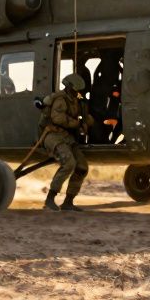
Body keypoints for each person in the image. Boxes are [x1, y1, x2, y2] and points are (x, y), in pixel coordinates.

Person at [39, 73, 93, 211]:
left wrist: (87, 121)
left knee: (82, 167)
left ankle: (68, 202)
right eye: (76, 90)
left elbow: (85, 116)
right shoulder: (60, 99)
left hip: (67, 137)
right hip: (53, 135)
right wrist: (77, 123)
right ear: (69, 87)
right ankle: (49, 199)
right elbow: (58, 119)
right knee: (69, 163)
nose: (77, 93)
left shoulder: (77, 99)